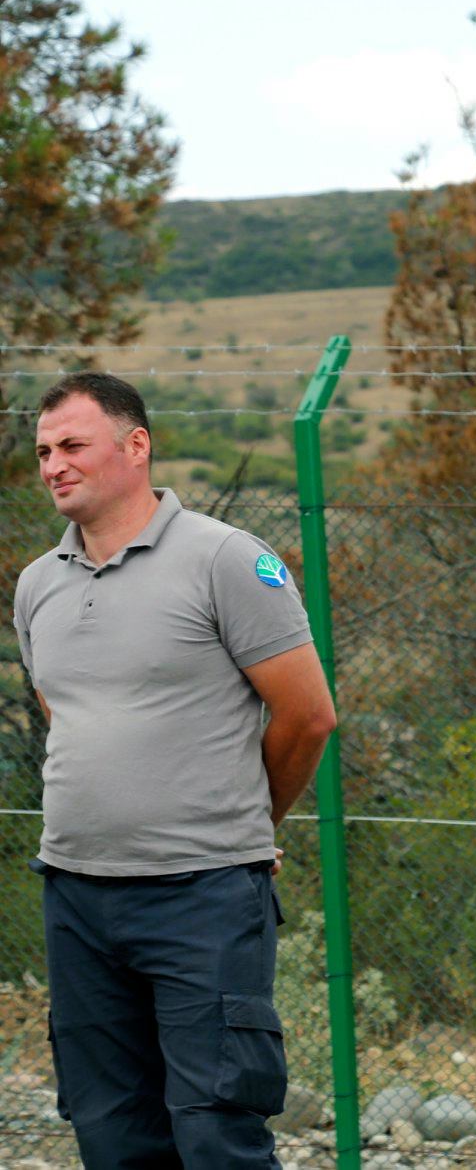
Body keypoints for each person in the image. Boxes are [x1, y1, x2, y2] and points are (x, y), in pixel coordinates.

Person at [15, 372, 337, 1167]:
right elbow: (68, 715)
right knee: (110, 1132)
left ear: (136, 446)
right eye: (44, 451)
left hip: (202, 897)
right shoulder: (37, 585)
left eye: (72, 445)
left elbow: (308, 715)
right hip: (76, 897)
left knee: (216, 1131)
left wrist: (247, 823)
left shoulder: (226, 559)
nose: (54, 465)